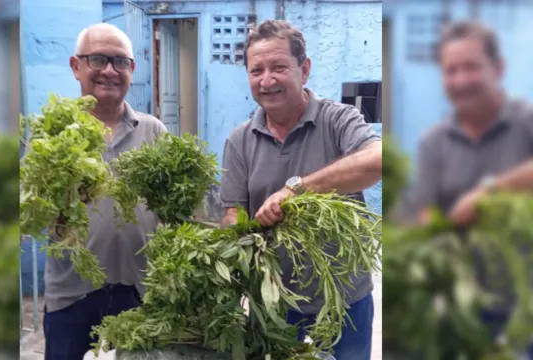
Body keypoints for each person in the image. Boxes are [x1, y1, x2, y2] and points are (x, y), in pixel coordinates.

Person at [220, 20, 382, 360]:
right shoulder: (239, 140)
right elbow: (233, 212)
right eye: (256, 71)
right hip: (275, 304)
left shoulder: (339, 120)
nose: (267, 80)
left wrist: (297, 190)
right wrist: (234, 242)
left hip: (343, 300)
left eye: (279, 67)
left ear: (304, 69)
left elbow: (379, 160)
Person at [404, 20, 533, 355]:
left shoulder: (526, 121)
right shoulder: (434, 142)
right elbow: (422, 208)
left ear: (498, 67)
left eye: (471, 67)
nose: (460, 80)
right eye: (451, 70)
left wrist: (489, 192)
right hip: (469, 307)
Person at [42, 23, 167, 360]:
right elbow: (30, 210)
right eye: (98, 60)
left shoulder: (153, 131)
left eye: (120, 62)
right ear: (75, 66)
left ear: (132, 69)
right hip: (71, 298)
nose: (110, 71)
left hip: (139, 293)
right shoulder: (50, 134)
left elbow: (171, 209)